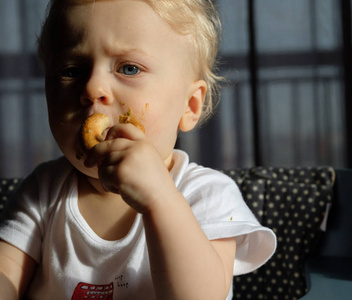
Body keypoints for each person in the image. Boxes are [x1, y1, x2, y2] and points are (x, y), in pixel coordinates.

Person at [0, 0, 276, 299]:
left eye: (129, 68)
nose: (92, 87)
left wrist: (159, 198)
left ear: (190, 105)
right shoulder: (43, 192)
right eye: (72, 70)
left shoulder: (207, 196)